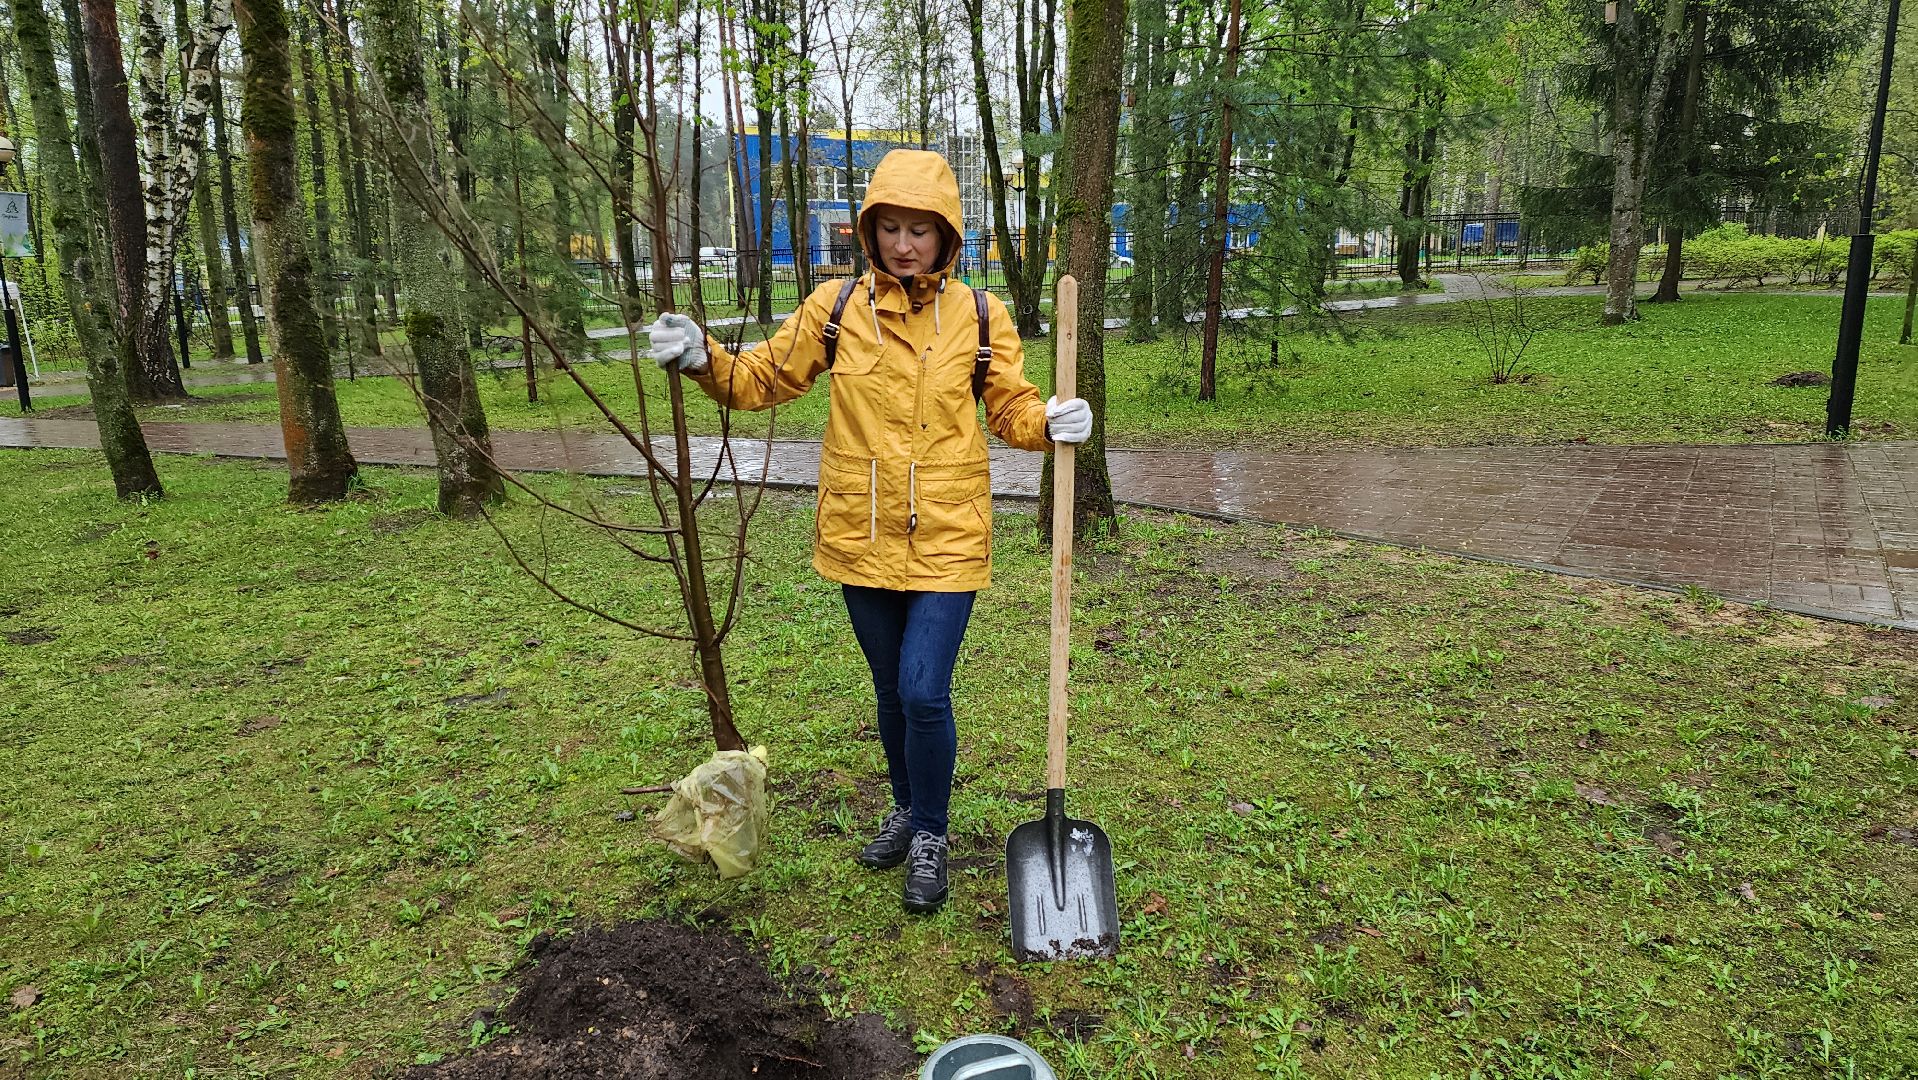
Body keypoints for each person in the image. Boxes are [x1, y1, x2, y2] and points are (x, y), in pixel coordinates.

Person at [645, 149, 1092, 914]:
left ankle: (932, 835)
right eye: (891, 227)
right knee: (890, 692)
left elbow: (1010, 407)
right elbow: (762, 378)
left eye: (921, 229)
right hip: (862, 533)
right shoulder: (836, 309)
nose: (904, 244)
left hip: (948, 535)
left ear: (946, 235)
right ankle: (907, 809)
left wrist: (1049, 420)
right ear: (870, 229)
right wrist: (701, 357)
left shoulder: (981, 315)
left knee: (923, 689)